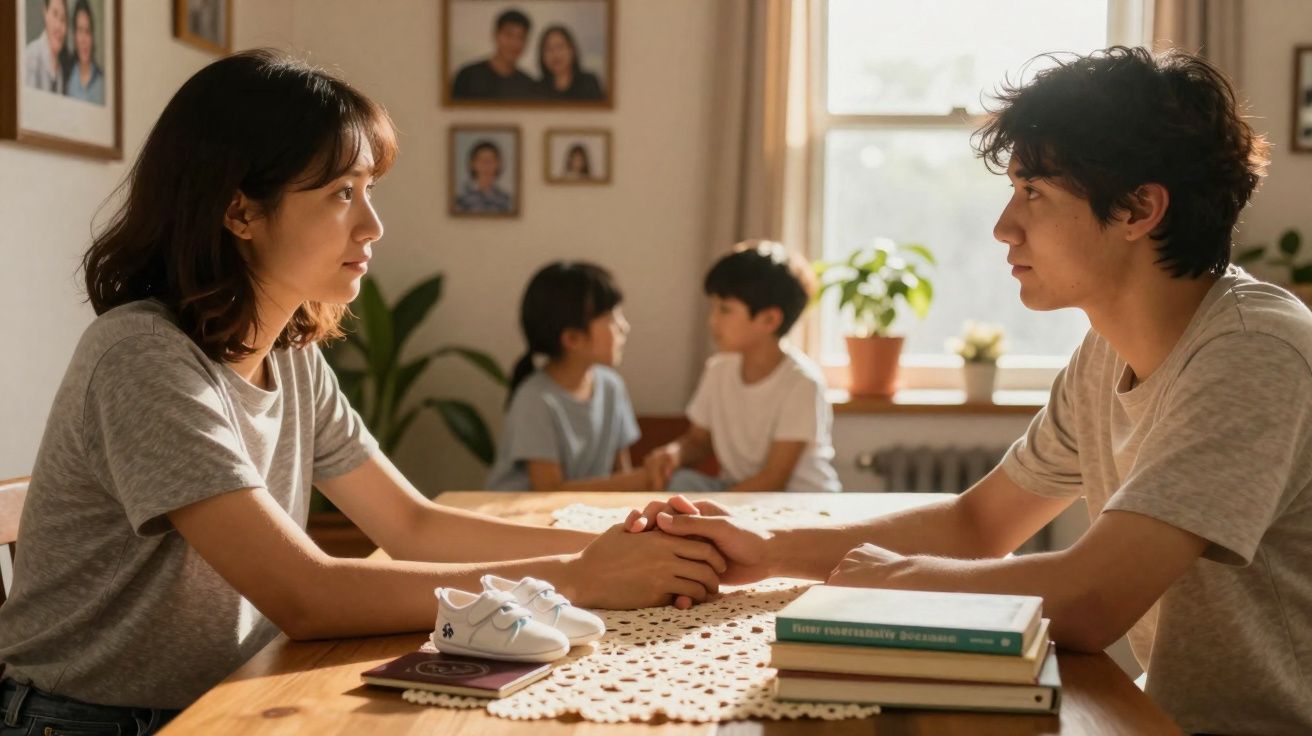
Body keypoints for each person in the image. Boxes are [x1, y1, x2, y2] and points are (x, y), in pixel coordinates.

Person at [0, 49, 725, 733]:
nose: (373, 225)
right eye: (342, 193)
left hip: (232, 693)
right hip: (92, 719)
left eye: (369, 191)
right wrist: (580, 576)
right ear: (240, 211)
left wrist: (605, 543)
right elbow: (306, 595)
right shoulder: (142, 356)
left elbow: (411, 525)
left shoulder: (291, 355)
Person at [629, 47, 1312, 735]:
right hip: (1158, 714)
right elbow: (977, 526)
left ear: (1138, 208)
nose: (1003, 226)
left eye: (1034, 192)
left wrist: (892, 581)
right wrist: (767, 548)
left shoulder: (1255, 350)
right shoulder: (1106, 353)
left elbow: (1093, 598)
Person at [644, 241, 842, 493]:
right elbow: (698, 442)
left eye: (725, 310)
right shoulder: (718, 370)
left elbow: (773, 479)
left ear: (770, 319)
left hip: (798, 501)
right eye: (713, 307)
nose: (713, 320)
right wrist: (674, 454)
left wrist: (710, 511)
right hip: (741, 493)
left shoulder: (802, 382)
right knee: (679, 483)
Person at [487, 262, 653, 492]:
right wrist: (645, 479)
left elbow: (620, 475)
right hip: (520, 519)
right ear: (573, 339)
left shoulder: (612, 387)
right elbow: (548, 491)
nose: (624, 327)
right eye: (612, 318)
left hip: (579, 515)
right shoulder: (535, 400)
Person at [451, 9, 537, 100]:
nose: (514, 43)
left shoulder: (529, 85)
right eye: (508, 35)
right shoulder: (468, 76)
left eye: (521, 37)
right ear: (495, 35)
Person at [536, 25, 604, 101]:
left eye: (560, 47)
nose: (555, 54)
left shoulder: (589, 82)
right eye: (548, 49)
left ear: (572, 51)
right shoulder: (537, 89)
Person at [453, 140, 512, 214]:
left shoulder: (505, 200)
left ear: (498, 164)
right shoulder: (460, 198)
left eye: (491, 161)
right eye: (481, 160)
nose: (486, 165)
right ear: (472, 164)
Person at [22, 0, 67, 94]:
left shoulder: (60, 70)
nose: (59, 26)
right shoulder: (31, 57)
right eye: (55, 14)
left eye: (63, 19)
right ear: (45, 13)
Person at [64, 0, 104, 105]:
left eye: (87, 31)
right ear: (74, 36)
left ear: (92, 37)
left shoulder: (102, 82)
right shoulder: (67, 80)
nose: (83, 40)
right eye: (80, 31)